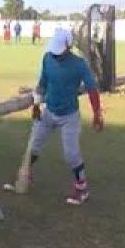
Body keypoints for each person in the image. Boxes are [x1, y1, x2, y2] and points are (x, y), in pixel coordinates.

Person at [29, 28, 104, 205]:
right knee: (33, 145)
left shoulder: (79, 64)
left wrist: (97, 114)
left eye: (59, 53)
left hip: (69, 115)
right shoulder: (47, 58)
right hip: (48, 111)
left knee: (71, 154)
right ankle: (26, 173)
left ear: (69, 47)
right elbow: (42, 83)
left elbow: (92, 89)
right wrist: (36, 105)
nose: (55, 56)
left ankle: (81, 189)